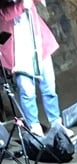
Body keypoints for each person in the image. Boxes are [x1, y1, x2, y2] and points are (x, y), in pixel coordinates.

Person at [0, 0, 67, 137]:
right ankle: (34, 127)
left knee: (49, 89)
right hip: (19, 52)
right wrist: (21, 5)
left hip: (40, 46)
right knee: (27, 93)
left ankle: (57, 124)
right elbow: (3, 14)